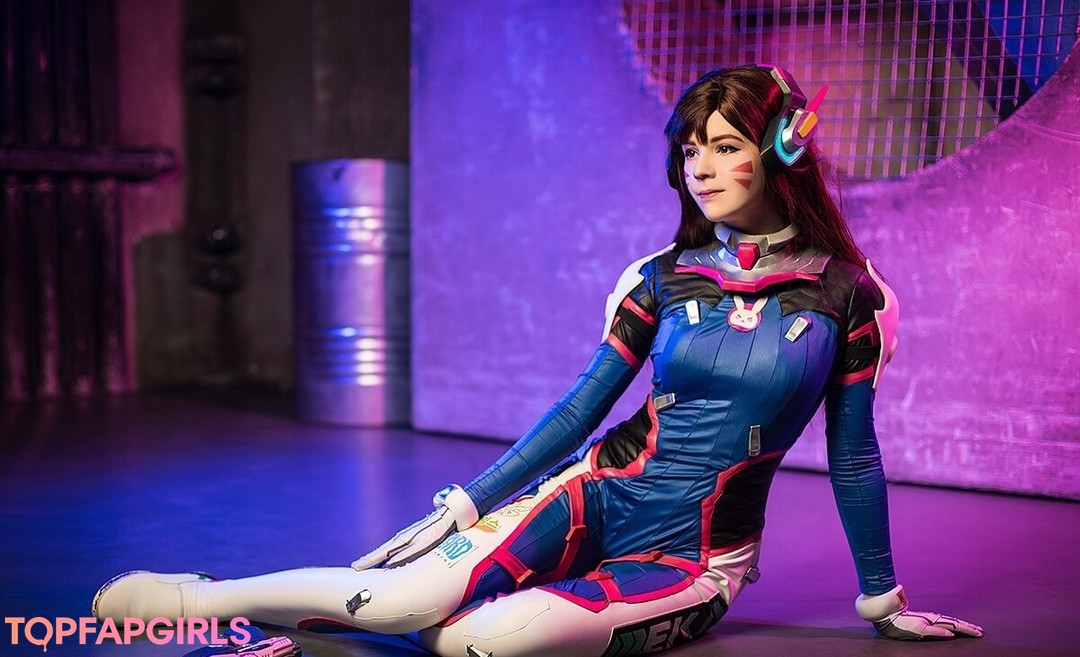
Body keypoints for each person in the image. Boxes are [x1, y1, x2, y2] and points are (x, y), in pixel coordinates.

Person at [92, 66, 983, 656]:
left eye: (724, 146)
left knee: (475, 640)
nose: (700, 168)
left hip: (694, 558)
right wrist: (465, 505)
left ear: (782, 148)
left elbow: (854, 453)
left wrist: (882, 599)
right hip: (596, 490)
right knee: (408, 602)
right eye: (690, 149)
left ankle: (334, 623)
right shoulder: (660, 276)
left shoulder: (853, 296)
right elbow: (580, 411)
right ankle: (207, 598)